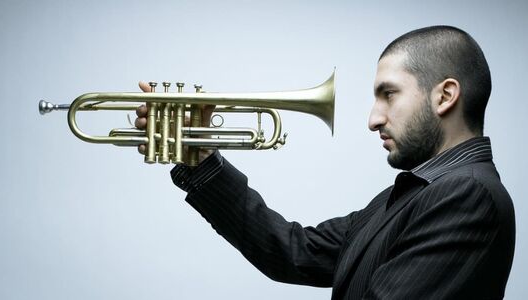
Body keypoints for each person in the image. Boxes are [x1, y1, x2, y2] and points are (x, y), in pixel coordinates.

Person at [135, 25, 515, 299]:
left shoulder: (467, 195)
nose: (373, 119)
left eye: (389, 95)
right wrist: (199, 159)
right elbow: (294, 252)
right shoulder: (411, 195)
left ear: (445, 96)